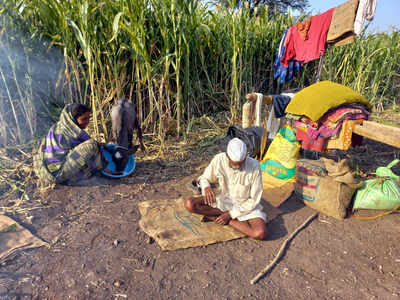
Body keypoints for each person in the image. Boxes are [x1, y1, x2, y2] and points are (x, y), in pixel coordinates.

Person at [185, 138, 268, 240]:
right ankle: (221, 215)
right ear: (227, 156)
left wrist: (230, 215)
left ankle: (220, 217)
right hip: (222, 200)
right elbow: (204, 178)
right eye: (234, 164)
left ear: (246, 157)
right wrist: (206, 187)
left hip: (244, 205)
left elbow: (254, 200)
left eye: (241, 163)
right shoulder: (219, 159)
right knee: (190, 204)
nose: (238, 167)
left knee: (259, 233)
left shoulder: (254, 166)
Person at [34, 103, 108, 185]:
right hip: (58, 174)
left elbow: (40, 149)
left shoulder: (57, 126)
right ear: (73, 119)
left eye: (89, 118)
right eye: (84, 119)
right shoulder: (70, 133)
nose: (87, 122)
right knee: (92, 145)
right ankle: (104, 170)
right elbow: (87, 150)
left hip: (43, 172)